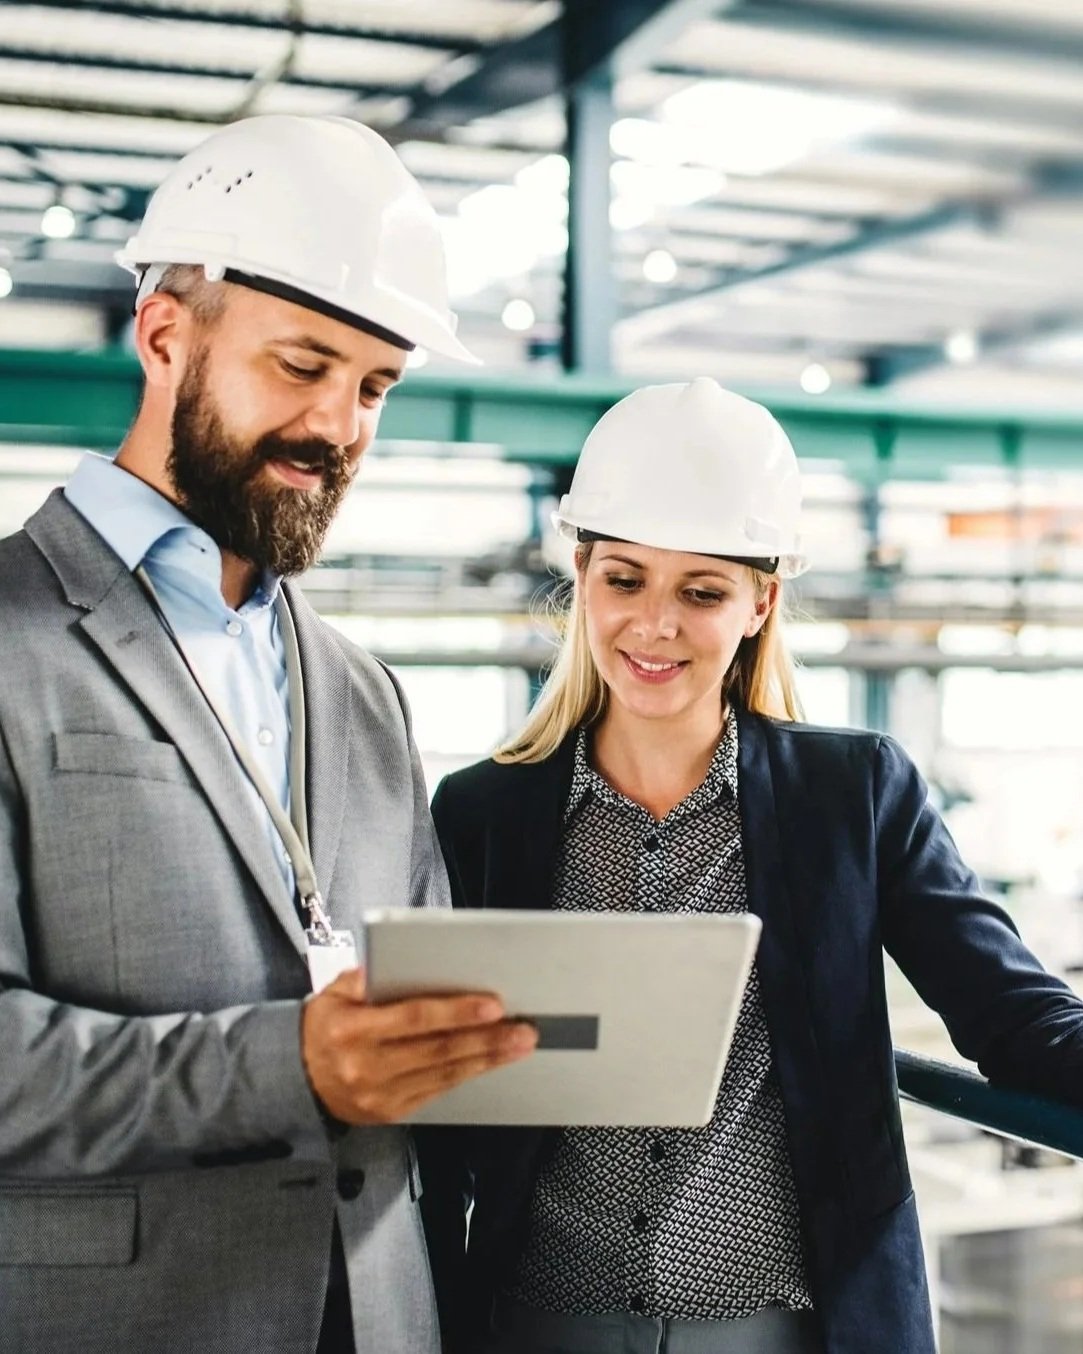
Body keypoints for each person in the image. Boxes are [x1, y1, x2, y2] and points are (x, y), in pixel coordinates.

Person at [0, 114, 537, 1354]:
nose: (340, 427)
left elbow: (423, 994)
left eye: (374, 388)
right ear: (165, 335)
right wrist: (289, 1064)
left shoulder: (363, 693)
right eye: (302, 366)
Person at [418, 377, 1083, 1354]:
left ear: (761, 600)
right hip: (540, 1322)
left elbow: (1012, 1011)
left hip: (786, 1329)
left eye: (702, 590)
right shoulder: (480, 813)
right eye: (625, 579)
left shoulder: (853, 795)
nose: (656, 624)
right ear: (582, 572)